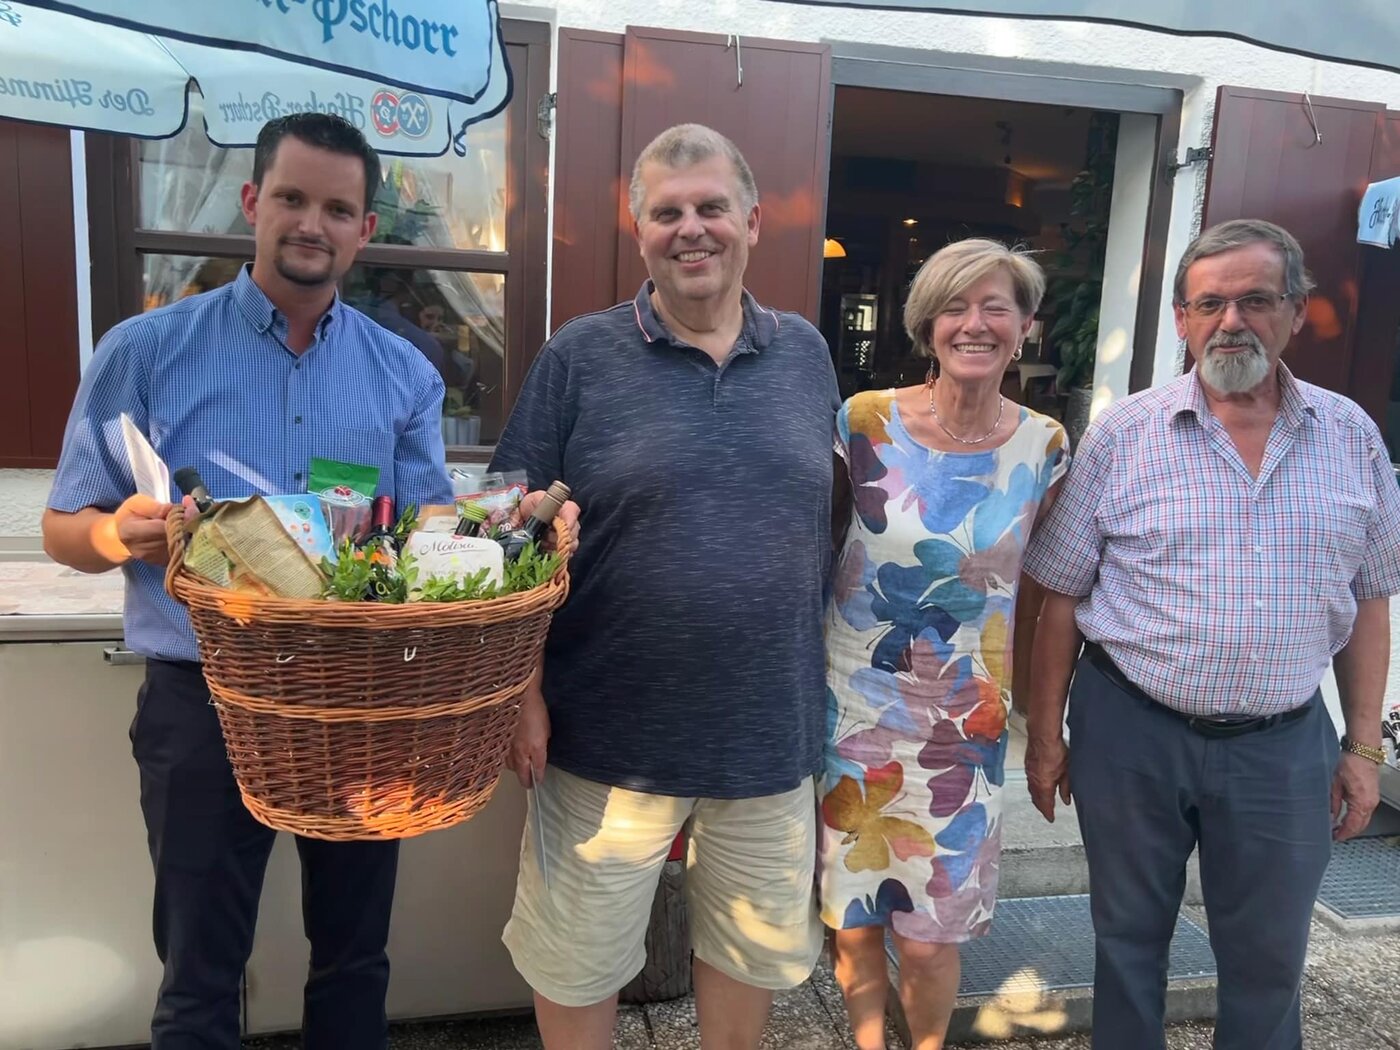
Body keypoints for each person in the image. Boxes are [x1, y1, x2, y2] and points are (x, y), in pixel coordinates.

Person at [42, 113, 455, 1050]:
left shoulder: (404, 374)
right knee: (199, 974)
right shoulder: (144, 351)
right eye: (291, 198)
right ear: (250, 202)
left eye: (337, 208)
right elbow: (64, 529)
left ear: (365, 229)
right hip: (203, 698)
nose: (312, 223)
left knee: (355, 961)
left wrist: (495, 538)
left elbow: (427, 533)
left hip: (354, 700)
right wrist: (114, 533)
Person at [488, 123, 839, 1050]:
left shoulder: (805, 354)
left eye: (712, 207)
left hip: (767, 734)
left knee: (749, 956)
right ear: (638, 229)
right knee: (576, 962)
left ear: (752, 222)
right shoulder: (580, 356)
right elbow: (506, 534)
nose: (692, 229)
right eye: (668, 212)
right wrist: (522, 693)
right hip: (606, 738)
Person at [1022, 218, 1400, 1050]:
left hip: (1282, 744)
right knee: (1127, 941)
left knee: (1269, 958)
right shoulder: (1124, 433)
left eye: (1256, 300)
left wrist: (1363, 747)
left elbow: (1370, 600)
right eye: (1209, 304)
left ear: (1295, 311)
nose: (1232, 321)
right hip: (1131, 734)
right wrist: (1046, 738)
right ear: (1182, 319)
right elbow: (1060, 597)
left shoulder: (1352, 438)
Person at [821, 238, 1069, 1050]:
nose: (974, 324)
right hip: (855, 713)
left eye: (996, 307)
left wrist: (1046, 728)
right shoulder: (863, 422)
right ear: (927, 325)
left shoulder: (1045, 445)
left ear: (1024, 327)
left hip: (966, 729)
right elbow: (819, 548)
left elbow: (1044, 592)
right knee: (856, 920)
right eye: (954, 307)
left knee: (932, 938)